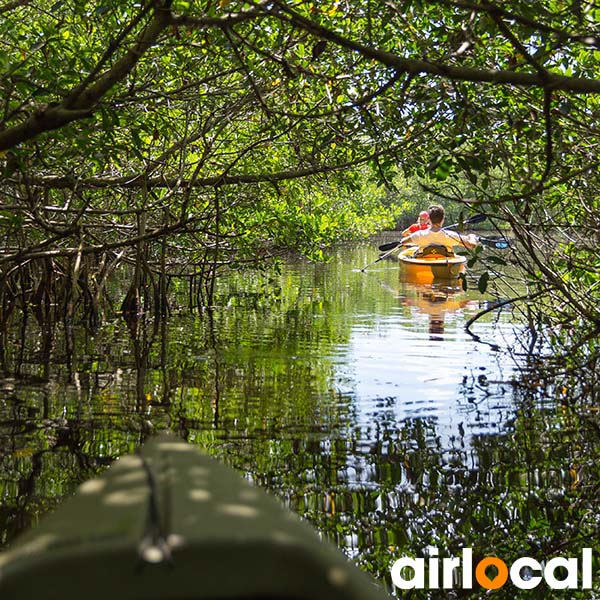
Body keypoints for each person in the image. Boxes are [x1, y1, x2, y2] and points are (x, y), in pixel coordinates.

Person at [400, 204, 478, 251]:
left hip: (424, 260)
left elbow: (403, 242)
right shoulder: (451, 235)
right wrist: (472, 236)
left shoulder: (418, 235)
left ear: (429, 219)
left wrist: (414, 241)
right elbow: (471, 245)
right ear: (443, 219)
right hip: (445, 264)